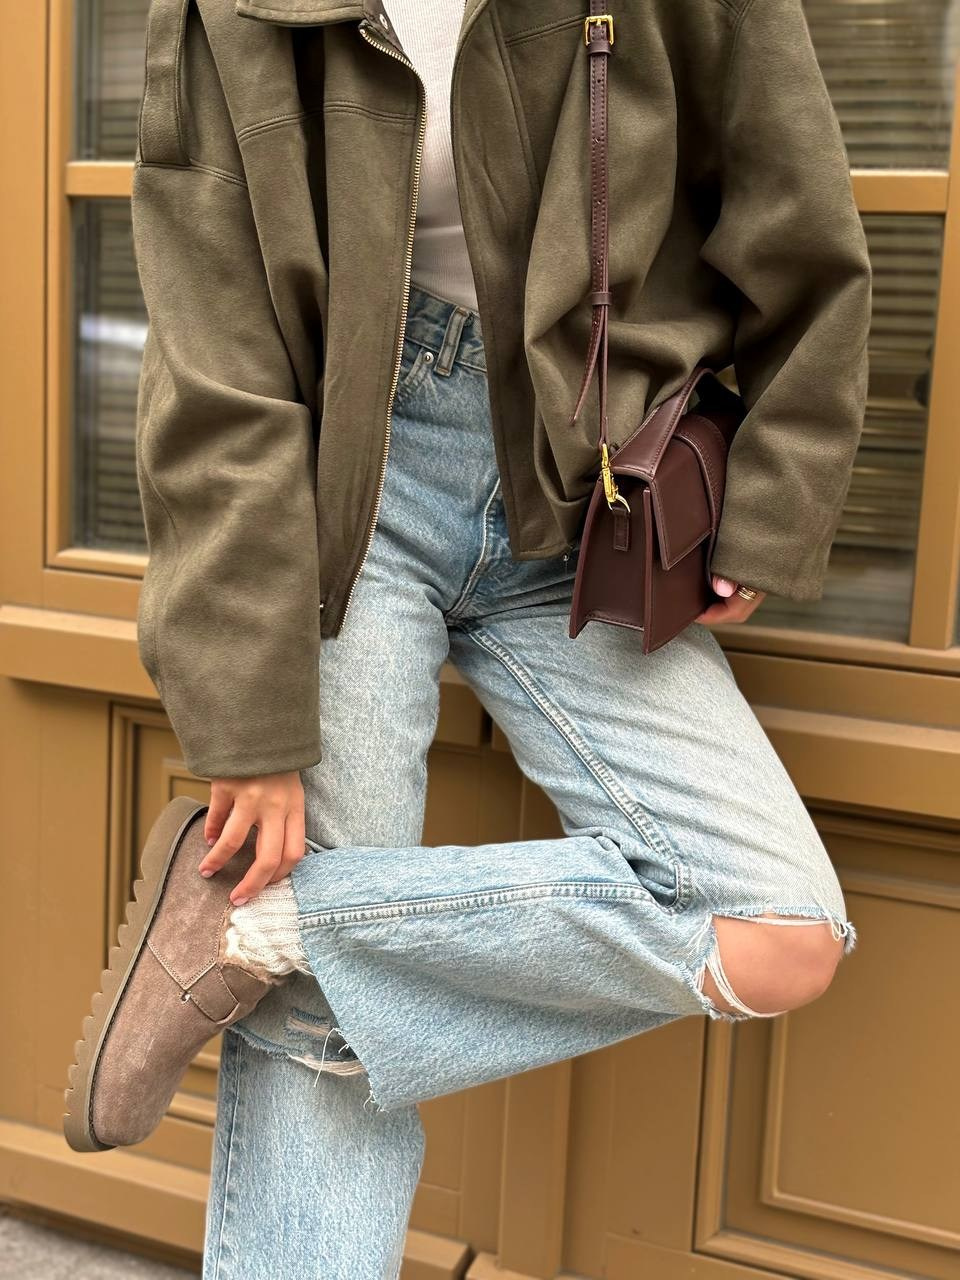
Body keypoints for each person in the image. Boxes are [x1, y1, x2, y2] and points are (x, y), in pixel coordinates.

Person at [63, 1, 871, 1276]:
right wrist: (248, 714)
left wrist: (771, 499)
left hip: (592, 498)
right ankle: (282, 950)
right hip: (347, 497)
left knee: (780, 923)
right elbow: (214, 362)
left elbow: (801, 221)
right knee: (325, 1038)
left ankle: (256, 931)